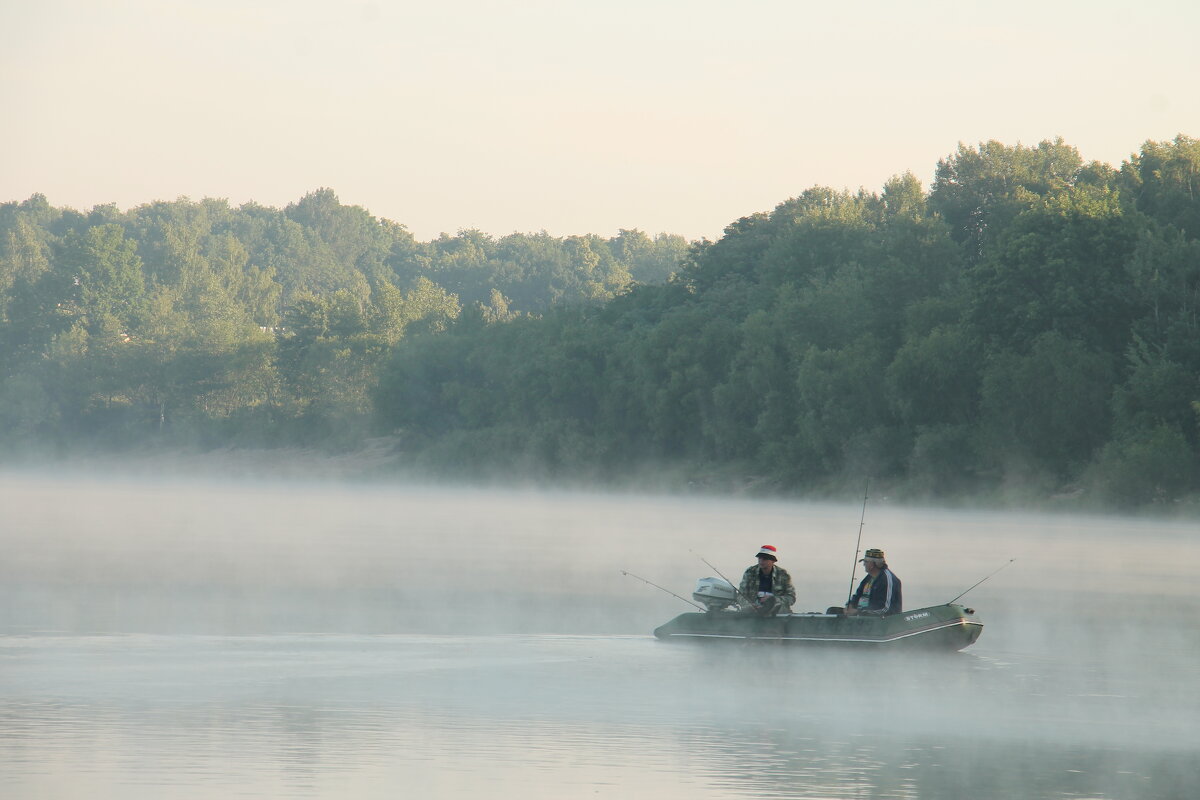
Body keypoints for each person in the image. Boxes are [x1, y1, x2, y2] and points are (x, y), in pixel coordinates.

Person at [738, 545, 796, 615]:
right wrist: (749, 606)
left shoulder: (783, 574)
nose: (761, 561)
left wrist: (774, 600)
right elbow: (740, 595)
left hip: (777, 615)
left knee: (777, 607)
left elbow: (791, 598)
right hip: (753, 613)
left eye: (765, 559)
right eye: (759, 558)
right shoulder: (750, 572)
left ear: (773, 561)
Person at [845, 548, 902, 616]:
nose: (863, 564)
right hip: (862, 615)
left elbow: (885, 609)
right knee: (832, 611)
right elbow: (857, 595)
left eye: (865, 562)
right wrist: (849, 605)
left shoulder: (888, 579)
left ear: (872, 564)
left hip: (880, 620)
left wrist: (859, 612)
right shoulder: (868, 578)